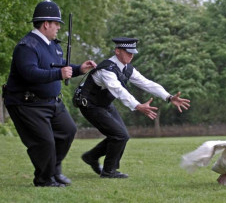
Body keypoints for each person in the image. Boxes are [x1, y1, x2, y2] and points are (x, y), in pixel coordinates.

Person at [3, 0, 97, 187]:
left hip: (51, 102)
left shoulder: (53, 45)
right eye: (56, 24)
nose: (59, 28)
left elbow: (60, 67)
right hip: (26, 103)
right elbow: (30, 73)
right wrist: (58, 74)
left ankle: (54, 171)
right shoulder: (26, 46)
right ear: (46, 24)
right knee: (45, 142)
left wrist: (80, 69)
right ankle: (44, 179)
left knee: (67, 130)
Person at [78, 37, 190, 178]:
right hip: (90, 105)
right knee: (120, 135)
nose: (131, 55)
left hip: (104, 104)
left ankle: (91, 157)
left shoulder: (126, 68)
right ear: (117, 51)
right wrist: (137, 105)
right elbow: (119, 91)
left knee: (122, 136)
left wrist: (168, 97)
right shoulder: (107, 70)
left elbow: (146, 83)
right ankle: (108, 172)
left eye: (133, 52)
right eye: (128, 52)